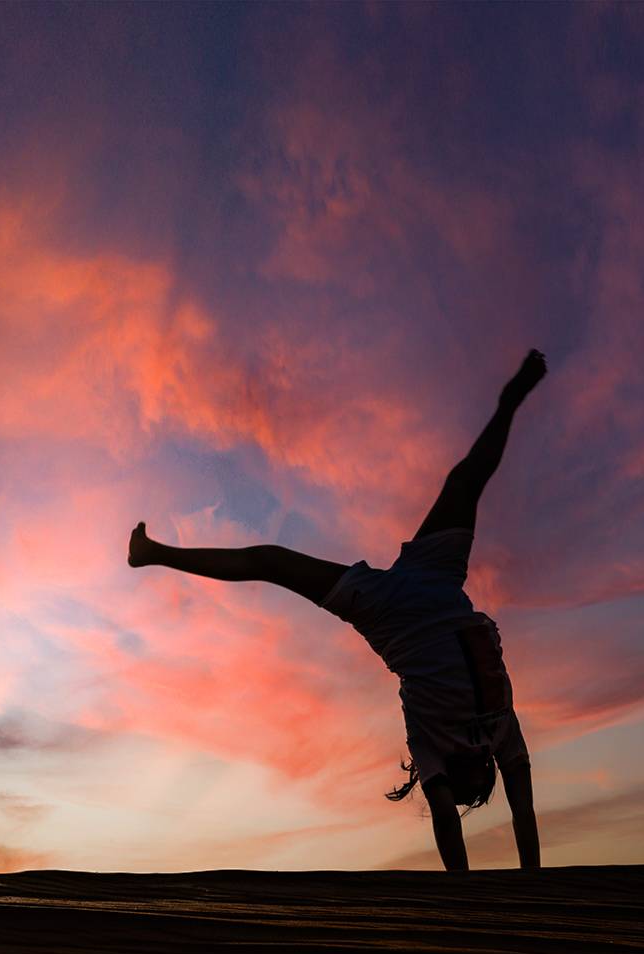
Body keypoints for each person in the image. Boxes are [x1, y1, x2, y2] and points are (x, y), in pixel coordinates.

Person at [127, 349, 548, 872]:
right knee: (466, 481)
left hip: (389, 613)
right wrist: (532, 881)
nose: (460, 786)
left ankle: (154, 554)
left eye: (456, 788)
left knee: (271, 561)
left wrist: (463, 892)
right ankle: (510, 402)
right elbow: (524, 810)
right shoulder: (502, 731)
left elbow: (445, 818)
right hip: (439, 577)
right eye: (472, 787)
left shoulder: (430, 747)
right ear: (485, 774)